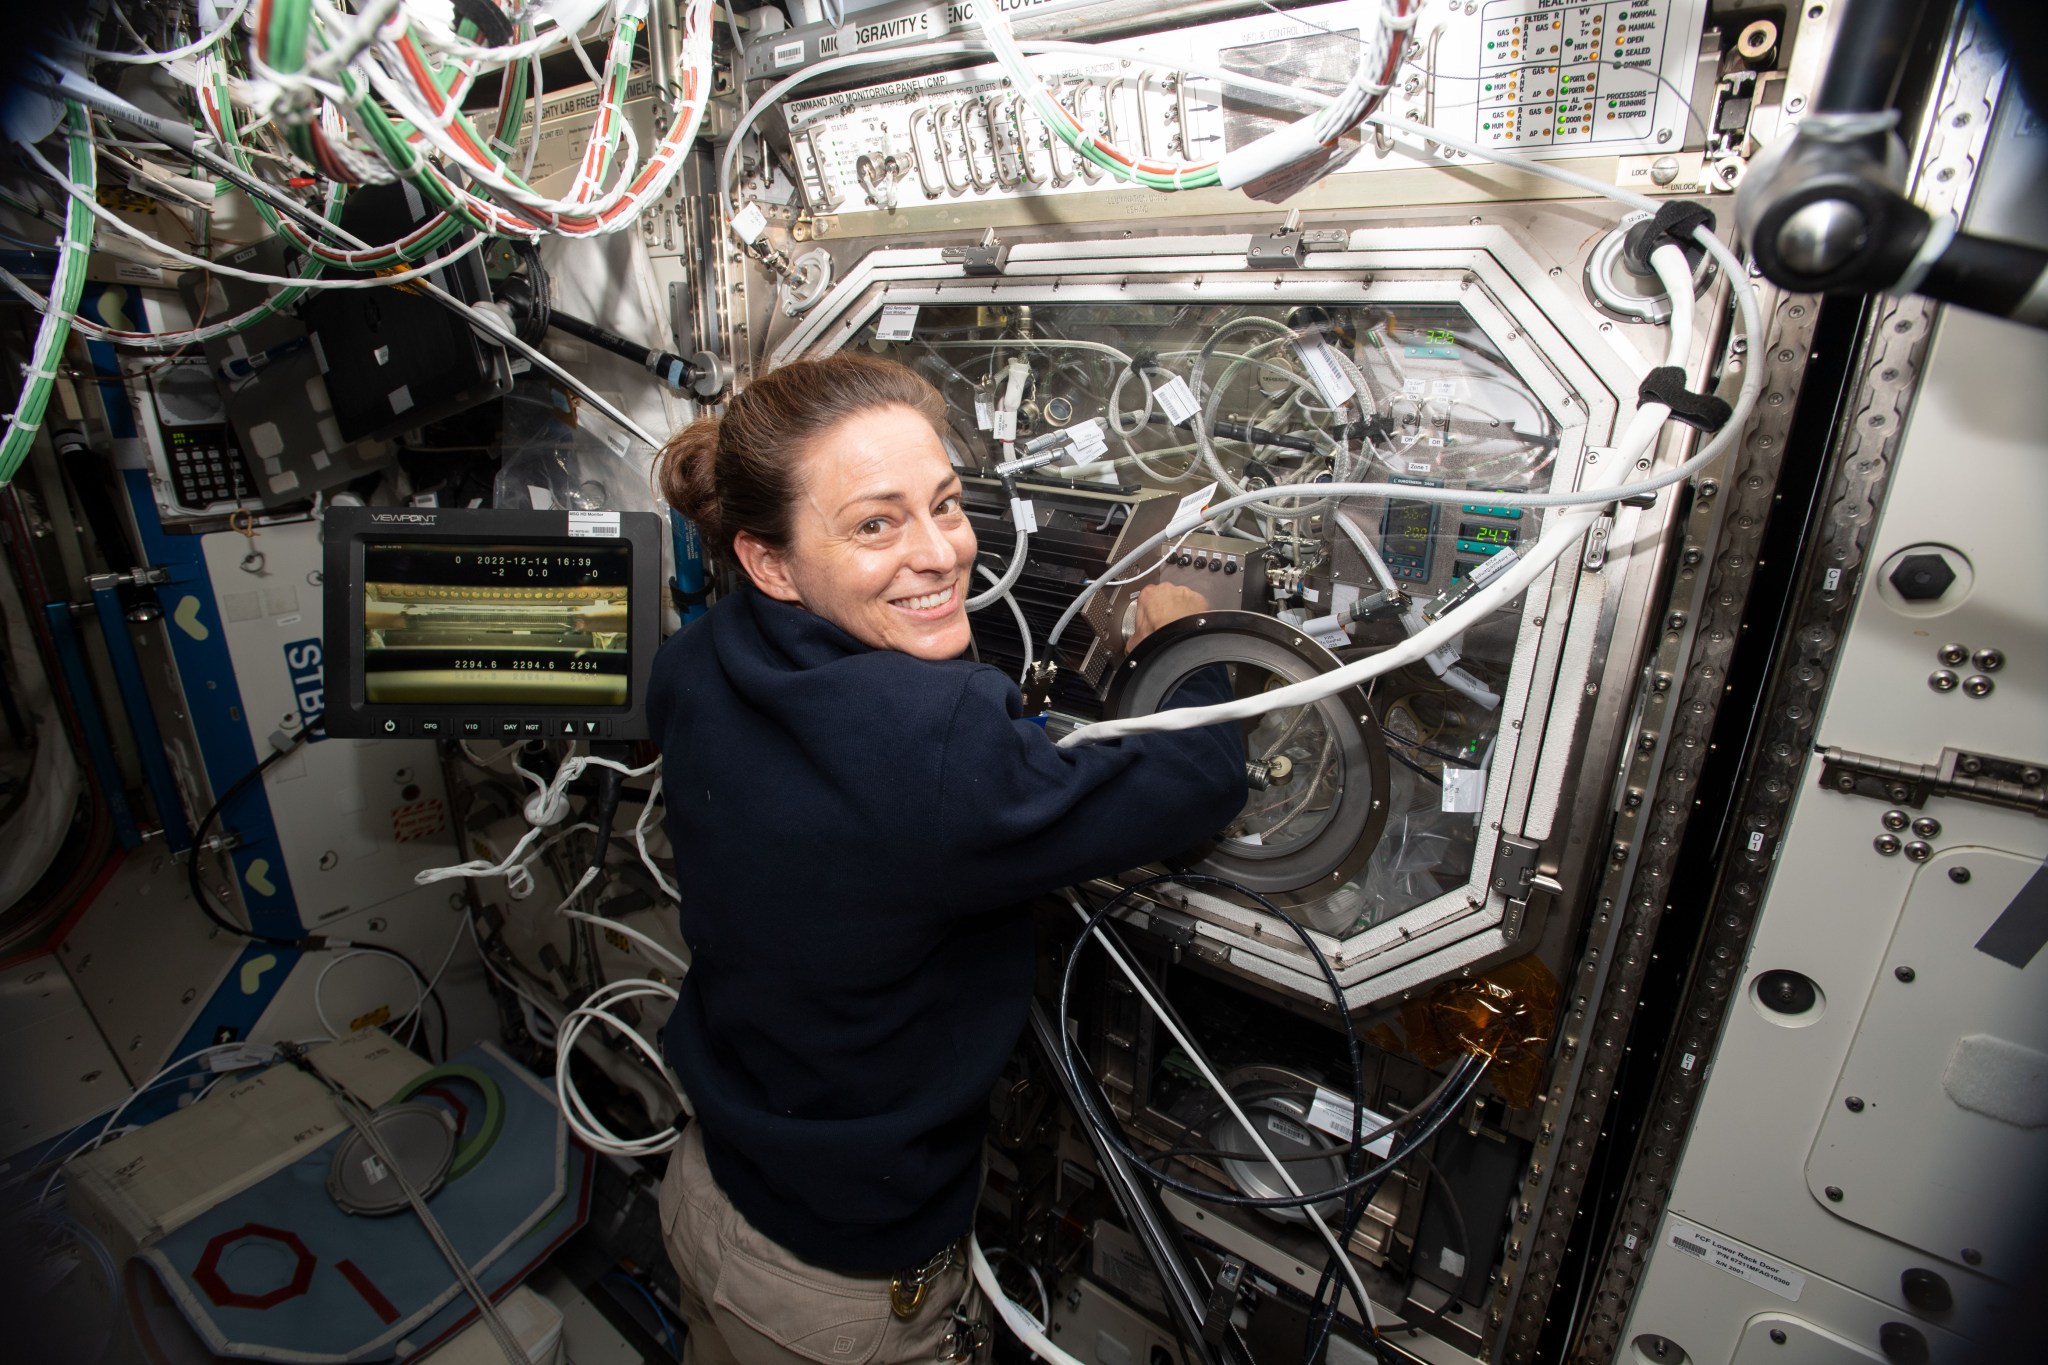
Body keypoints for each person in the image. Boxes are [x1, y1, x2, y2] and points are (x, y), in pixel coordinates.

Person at [647, 352, 1247, 1364]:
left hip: (710, 1197)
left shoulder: (697, 657)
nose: (940, 555)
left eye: (946, 505)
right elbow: (1199, 780)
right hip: (841, 1295)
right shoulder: (930, 746)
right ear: (772, 561)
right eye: (875, 523)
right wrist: (1188, 639)